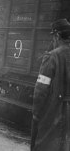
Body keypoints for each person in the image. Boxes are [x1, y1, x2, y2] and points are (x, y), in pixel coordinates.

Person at [31, 18, 70, 151]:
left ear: (57, 36)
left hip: (53, 112)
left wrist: (36, 113)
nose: (53, 41)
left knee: (44, 145)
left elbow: (41, 90)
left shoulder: (52, 57)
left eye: (53, 37)